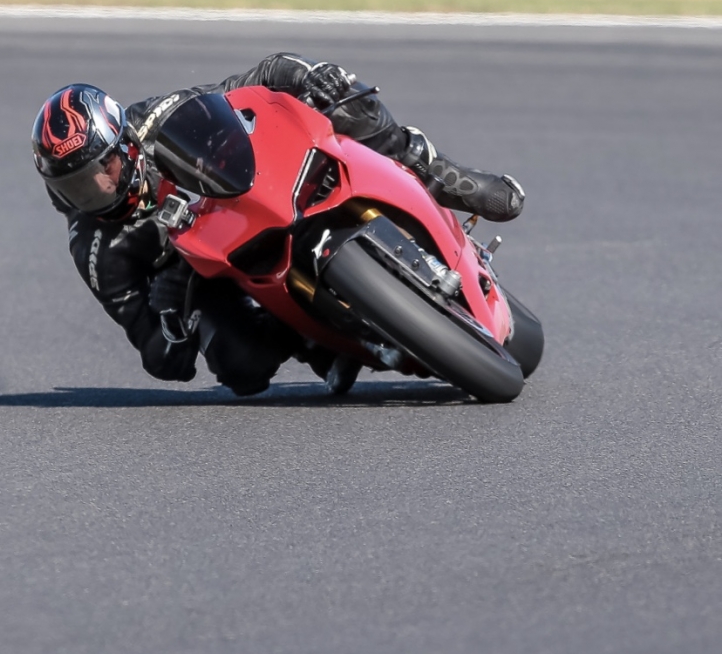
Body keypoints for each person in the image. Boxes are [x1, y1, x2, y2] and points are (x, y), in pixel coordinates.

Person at [30, 53, 525, 396]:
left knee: (342, 99)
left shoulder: (157, 118)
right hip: (210, 270)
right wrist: (171, 308)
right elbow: (160, 358)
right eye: (75, 187)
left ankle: (439, 174)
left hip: (258, 191)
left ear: (125, 144)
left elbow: (252, 83)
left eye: (102, 170)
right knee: (241, 368)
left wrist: (306, 76)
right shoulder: (96, 248)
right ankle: (316, 343)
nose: (96, 190)